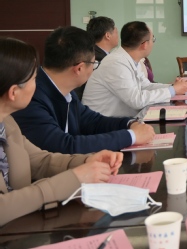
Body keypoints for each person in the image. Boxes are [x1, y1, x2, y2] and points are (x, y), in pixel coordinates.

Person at [0, 37, 123, 226]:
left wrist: (87, 161)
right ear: (14, 92)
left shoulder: (7, 122)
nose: (37, 84)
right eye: (34, 79)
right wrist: (74, 179)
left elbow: (40, 160)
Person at [12, 27, 155, 154]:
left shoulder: (66, 91)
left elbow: (92, 121)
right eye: (94, 63)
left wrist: (130, 124)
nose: (93, 68)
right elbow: (64, 146)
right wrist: (131, 136)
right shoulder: (30, 97)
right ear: (79, 68)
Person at [83, 21, 187, 117]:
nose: (153, 43)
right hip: (103, 126)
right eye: (153, 39)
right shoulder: (115, 63)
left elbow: (146, 86)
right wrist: (173, 90)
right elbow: (136, 100)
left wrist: (173, 87)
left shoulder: (130, 59)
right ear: (144, 45)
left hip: (121, 121)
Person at [75, 16, 119, 99]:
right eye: (116, 32)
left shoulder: (91, 52)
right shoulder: (97, 59)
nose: (118, 36)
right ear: (108, 35)